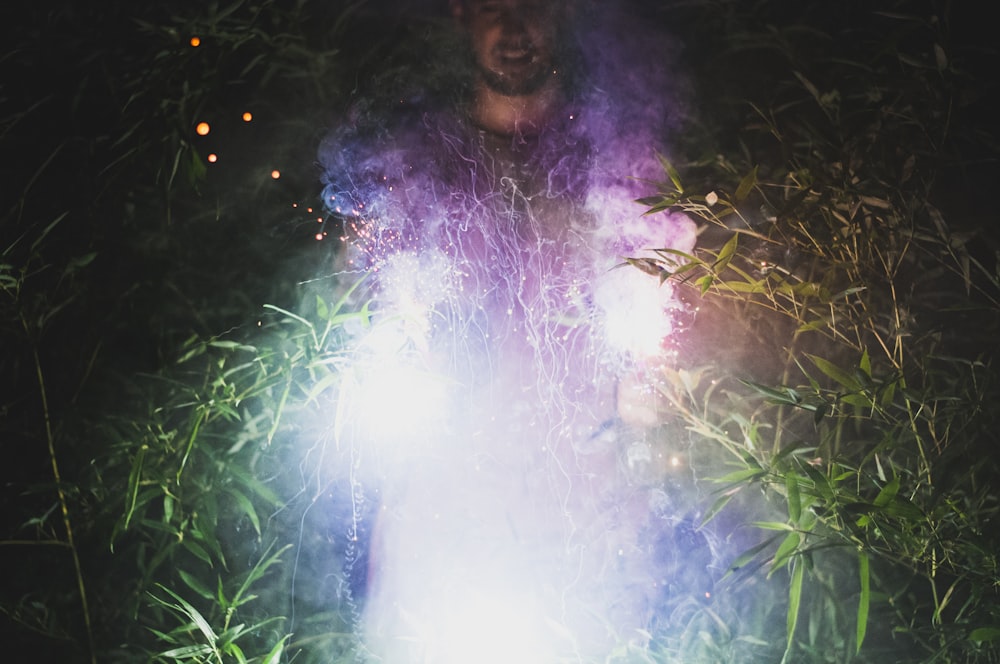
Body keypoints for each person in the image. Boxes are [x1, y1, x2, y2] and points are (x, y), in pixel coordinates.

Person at [320, 1, 709, 660]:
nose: (514, 26)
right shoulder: (415, 162)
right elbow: (357, 307)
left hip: (591, 509)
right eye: (494, 5)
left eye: (532, 3)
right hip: (445, 513)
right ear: (462, 13)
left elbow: (671, 306)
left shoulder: (616, 160)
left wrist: (654, 388)